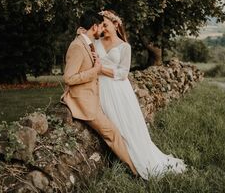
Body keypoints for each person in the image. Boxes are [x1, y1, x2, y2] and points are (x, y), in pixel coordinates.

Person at [94, 10, 187, 180]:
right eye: (101, 25)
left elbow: (122, 73)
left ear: (116, 25)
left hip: (118, 91)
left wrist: (101, 69)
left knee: (124, 126)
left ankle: (135, 161)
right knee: (110, 126)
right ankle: (121, 158)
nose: (103, 29)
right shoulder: (96, 42)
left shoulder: (124, 47)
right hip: (99, 88)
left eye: (105, 25)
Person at [61, 10, 137, 175]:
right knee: (113, 134)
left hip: (97, 93)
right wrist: (95, 70)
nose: (102, 29)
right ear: (94, 27)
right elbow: (68, 78)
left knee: (117, 129)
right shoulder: (77, 46)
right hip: (85, 101)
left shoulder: (86, 41)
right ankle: (134, 171)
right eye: (100, 25)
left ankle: (132, 167)